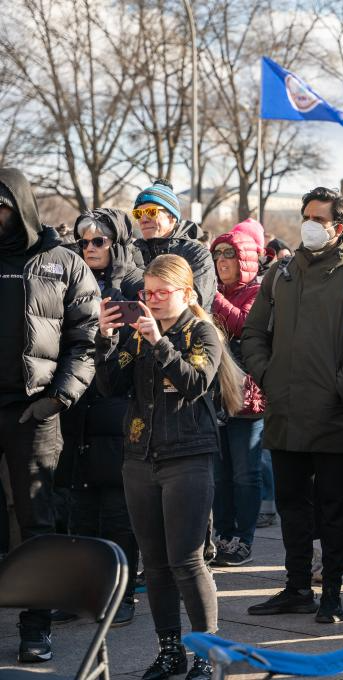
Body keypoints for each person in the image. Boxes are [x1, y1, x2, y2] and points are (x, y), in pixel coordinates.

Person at [96, 254, 244, 680]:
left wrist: (159, 341)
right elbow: (109, 385)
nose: (154, 299)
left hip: (188, 455)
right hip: (140, 456)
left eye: (162, 292)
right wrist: (105, 339)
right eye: (148, 292)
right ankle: (169, 651)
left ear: (187, 293)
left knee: (187, 560)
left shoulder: (201, 332)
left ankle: (206, 653)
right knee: (156, 563)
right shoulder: (138, 331)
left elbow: (195, 383)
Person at [242, 187, 343, 623]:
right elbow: (253, 333)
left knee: (334, 510)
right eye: (306, 216)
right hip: (285, 411)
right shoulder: (281, 273)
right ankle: (297, 587)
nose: (309, 225)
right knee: (291, 506)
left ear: (340, 227)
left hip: (333, 415)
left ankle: (332, 593)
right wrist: (268, 375)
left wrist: (340, 387)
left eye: (318, 219)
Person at [0, 168, 99, 663]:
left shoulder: (64, 263)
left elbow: (87, 340)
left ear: (20, 207)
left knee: (37, 520)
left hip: (34, 411)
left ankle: (36, 628)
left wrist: (58, 398)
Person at [56, 209, 144, 627]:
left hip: (118, 404)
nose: (89, 248)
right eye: (82, 241)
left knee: (117, 509)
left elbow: (136, 350)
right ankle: (80, 592)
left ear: (117, 242)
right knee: (78, 506)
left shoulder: (135, 284)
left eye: (98, 241)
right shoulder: (69, 281)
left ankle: (121, 594)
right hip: (77, 405)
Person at [210, 222, 266, 567]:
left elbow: (242, 325)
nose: (221, 261)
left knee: (245, 474)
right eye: (216, 254)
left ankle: (243, 539)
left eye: (228, 254)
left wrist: (210, 296)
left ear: (244, 259)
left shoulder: (259, 292)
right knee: (220, 475)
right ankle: (223, 535)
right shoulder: (213, 290)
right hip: (214, 395)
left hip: (247, 398)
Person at [131, 180, 216, 310]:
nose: (144, 219)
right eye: (138, 214)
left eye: (151, 212)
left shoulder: (197, 254)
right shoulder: (132, 251)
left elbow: (194, 304)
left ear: (172, 217)